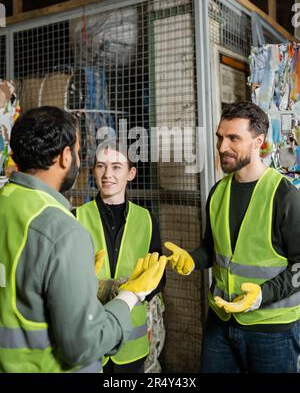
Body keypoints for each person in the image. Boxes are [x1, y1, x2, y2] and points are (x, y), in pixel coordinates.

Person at [0, 106, 166, 373]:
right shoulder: (65, 228)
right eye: (80, 153)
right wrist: (129, 292)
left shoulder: (8, 204)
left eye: (116, 167)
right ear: (66, 156)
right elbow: (83, 344)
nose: (107, 174)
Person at [165, 101, 300, 373]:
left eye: (233, 138)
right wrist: (192, 259)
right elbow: (212, 249)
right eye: (220, 137)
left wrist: (262, 295)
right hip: (220, 321)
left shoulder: (285, 197)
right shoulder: (218, 192)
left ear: (258, 142)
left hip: (272, 330)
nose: (222, 146)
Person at [74, 141, 166, 373]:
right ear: (93, 171)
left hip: (131, 344)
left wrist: (131, 291)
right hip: (90, 341)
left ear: (131, 173)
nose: (107, 174)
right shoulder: (75, 217)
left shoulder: (147, 220)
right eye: (101, 166)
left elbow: (159, 278)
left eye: (116, 167)